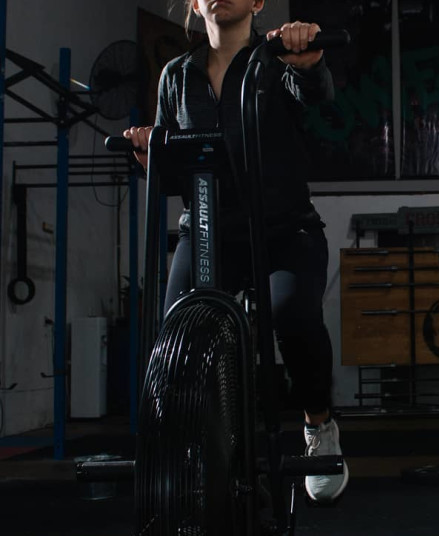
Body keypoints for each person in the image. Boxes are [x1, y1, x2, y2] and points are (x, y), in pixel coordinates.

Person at [123, 0, 348, 504]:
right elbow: (174, 178)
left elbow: (318, 97)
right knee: (178, 338)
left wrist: (310, 63)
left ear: (258, 2)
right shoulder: (177, 75)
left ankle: (319, 425)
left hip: (284, 233)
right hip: (207, 234)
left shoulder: (277, 58)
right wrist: (149, 158)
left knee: (292, 315)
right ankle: (198, 450)